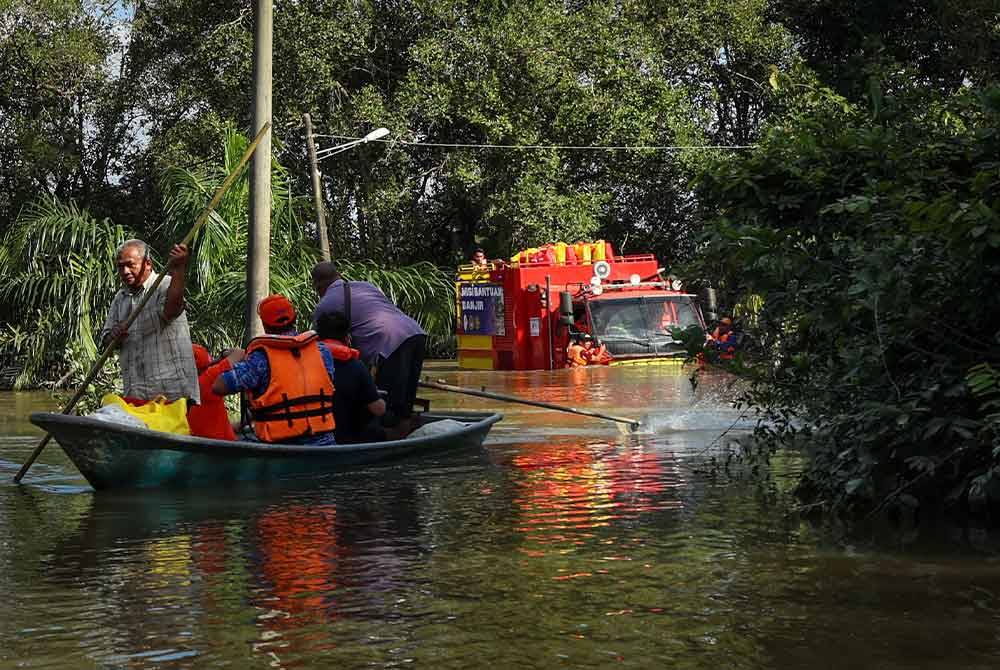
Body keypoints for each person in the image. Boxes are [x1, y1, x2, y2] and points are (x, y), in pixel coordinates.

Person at [311, 262, 426, 436]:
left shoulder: (325, 305)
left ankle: (390, 447)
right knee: (405, 403)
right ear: (339, 275)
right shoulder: (365, 286)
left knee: (388, 407)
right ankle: (405, 439)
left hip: (389, 343)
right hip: (415, 333)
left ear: (318, 286)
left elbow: (322, 349)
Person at [213, 295, 337, 444]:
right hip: (324, 443)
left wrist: (234, 358)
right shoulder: (322, 351)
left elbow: (218, 386)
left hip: (281, 446)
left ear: (265, 325)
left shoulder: (260, 359)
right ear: (294, 318)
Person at [98, 239, 199, 404]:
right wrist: (115, 335)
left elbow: (172, 311)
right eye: (120, 266)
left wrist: (179, 268)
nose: (125, 271)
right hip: (136, 393)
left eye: (130, 265)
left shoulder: (166, 284)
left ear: (148, 264)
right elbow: (107, 340)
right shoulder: (120, 298)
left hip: (171, 393)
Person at [316, 311, 387, 444]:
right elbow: (378, 409)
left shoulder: (305, 363)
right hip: (347, 439)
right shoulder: (355, 367)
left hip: (314, 437)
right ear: (347, 337)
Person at [187, 344, 242, 441]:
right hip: (221, 445)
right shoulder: (209, 378)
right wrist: (224, 353)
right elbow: (240, 353)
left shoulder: (183, 386)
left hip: (204, 442)